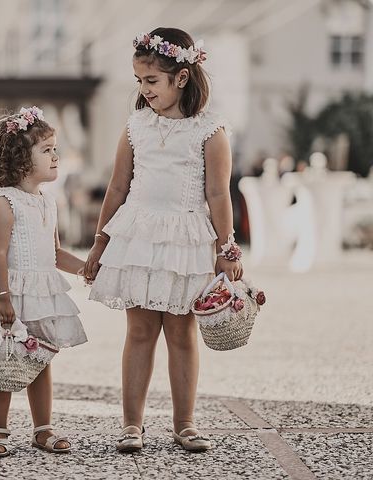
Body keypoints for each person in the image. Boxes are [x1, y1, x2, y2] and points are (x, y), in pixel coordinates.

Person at [84, 28, 243, 453]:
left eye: (152, 81)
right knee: (138, 331)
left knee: (180, 332)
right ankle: (131, 425)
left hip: (186, 238)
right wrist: (100, 244)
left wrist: (225, 250)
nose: (144, 89)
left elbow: (218, 194)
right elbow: (117, 188)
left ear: (183, 77)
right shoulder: (136, 126)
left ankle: (184, 423)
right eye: (139, 81)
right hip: (137, 236)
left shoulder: (211, 132)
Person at [0, 107, 87, 458]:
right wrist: (1, 298)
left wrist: (87, 267)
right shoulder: (5, 202)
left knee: (39, 359)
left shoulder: (49, 203)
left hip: (40, 291)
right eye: (46, 150)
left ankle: (43, 429)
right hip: (9, 290)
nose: (56, 156)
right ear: (20, 160)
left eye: (55, 148)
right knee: (2, 357)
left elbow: (54, 253)